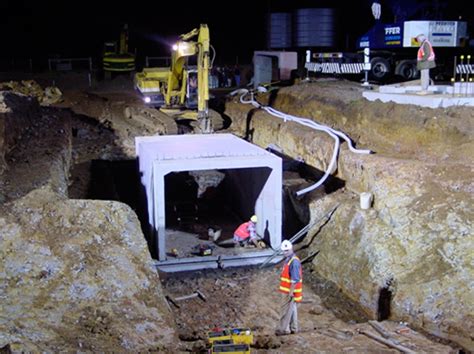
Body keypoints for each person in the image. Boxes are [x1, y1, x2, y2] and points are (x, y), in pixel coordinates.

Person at [275, 240, 302, 336]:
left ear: (291, 249)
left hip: (288, 291)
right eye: (284, 251)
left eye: (287, 250)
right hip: (287, 289)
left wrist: (291, 292)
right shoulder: (289, 260)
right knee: (292, 309)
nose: (285, 252)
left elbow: (295, 279)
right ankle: (294, 328)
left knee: (285, 310)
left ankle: (284, 330)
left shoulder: (294, 262)